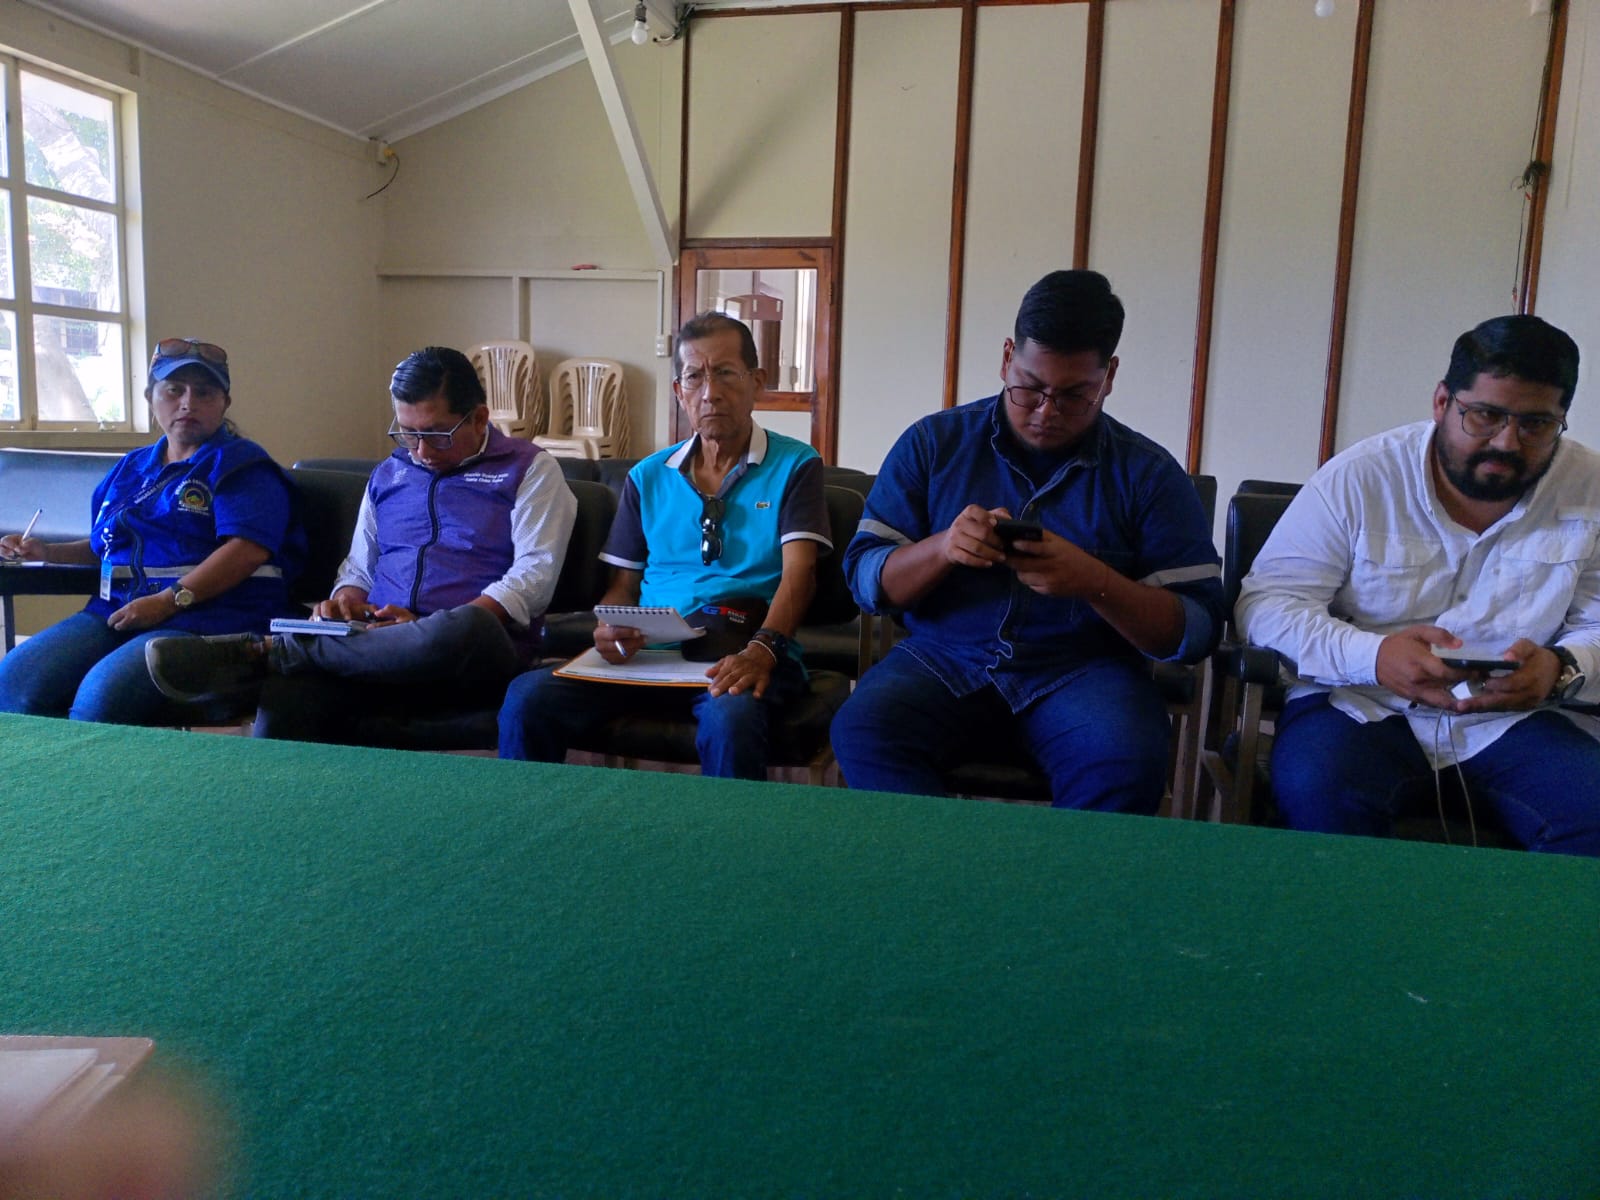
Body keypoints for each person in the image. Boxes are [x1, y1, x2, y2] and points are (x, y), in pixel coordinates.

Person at [830, 270, 1225, 810]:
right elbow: (865, 580)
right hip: (943, 658)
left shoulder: (1149, 475)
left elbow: (1198, 628)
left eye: (1074, 395)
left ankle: (1051, 872)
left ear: (1108, 377)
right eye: (1030, 387)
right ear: (1006, 357)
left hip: (1086, 672)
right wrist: (942, 549)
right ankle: (942, 860)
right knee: (864, 730)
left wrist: (1095, 582)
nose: (1046, 412)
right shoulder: (933, 444)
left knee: (1127, 761)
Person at [1235, 315, 1600, 855]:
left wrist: (1562, 668)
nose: (1506, 442)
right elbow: (1266, 605)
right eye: (1485, 415)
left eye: (1536, 424)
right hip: (1358, 703)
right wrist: (1374, 657)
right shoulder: (1361, 477)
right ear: (1442, 402)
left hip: (1515, 718)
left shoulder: (1591, 488)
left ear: (1561, 420)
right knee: (1321, 794)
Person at [145, 345, 576, 742]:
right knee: (293, 693)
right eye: (407, 433)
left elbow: (533, 576)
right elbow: (359, 566)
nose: (421, 450)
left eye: (437, 434)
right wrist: (346, 601)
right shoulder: (389, 474)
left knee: (470, 626)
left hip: (468, 649)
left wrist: (424, 626)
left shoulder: (529, 469)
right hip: (374, 642)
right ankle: (278, 774)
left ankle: (274, 652)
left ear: (479, 418)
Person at [497, 312, 830, 779]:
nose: (710, 392)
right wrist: (612, 629)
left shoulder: (796, 465)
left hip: (746, 649)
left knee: (730, 718)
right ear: (679, 391)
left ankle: (735, 829)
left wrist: (763, 649)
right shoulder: (648, 476)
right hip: (651, 656)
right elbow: (623, 587)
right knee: (528, 697)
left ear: (756, 382)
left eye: (726, 373)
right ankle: (528, 818)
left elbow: (800, 573)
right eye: (694, 377)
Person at [0, 338, 303, 725]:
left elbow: (246, 551)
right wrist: (47, 552)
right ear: (151, 397)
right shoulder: (132, 467)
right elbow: (106, 546)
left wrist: (168, 601)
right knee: (14, 683)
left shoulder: (242, 467)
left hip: (213, 620)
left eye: (204, 393)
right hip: (121, 612)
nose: (188, 403)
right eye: (174, 390)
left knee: (100, 701)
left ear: (224, 403)